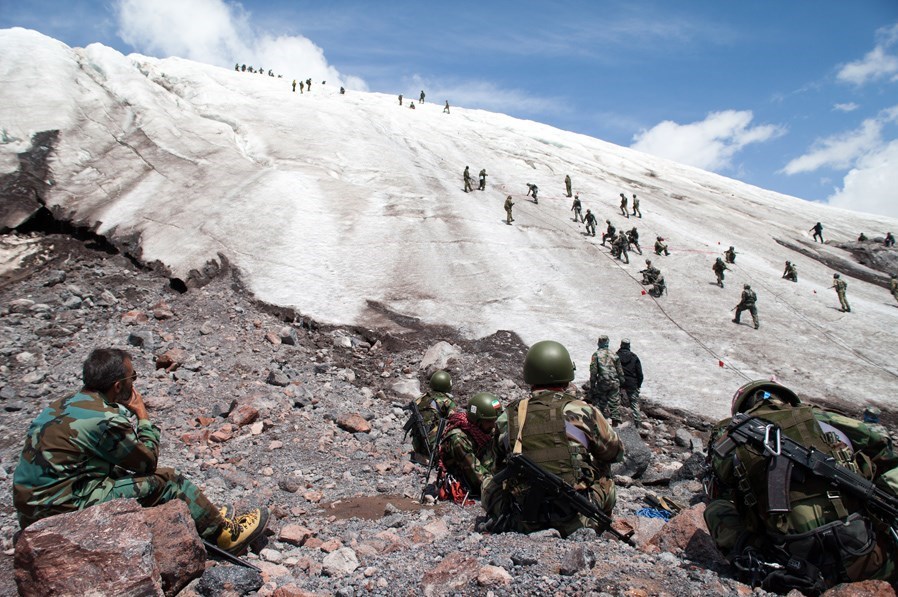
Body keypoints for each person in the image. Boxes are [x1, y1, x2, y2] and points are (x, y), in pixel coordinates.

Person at [12, 348, 268, 554]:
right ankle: (224, 535)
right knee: (168, 481)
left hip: (31, 511)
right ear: (117, 386)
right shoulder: (105, 419)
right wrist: (142, 415)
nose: (134, 383)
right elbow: (147, 463)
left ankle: (203, 513)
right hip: (65, 509)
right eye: (132, 378)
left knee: (120, 473)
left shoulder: (60, 404)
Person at [703, 380, 898, 593]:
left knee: (715, 509)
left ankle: (758, 567)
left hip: (794, 563)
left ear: (740, 408)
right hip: (864, 553)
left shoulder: (731, 433)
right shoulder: (816, 416)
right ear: (786, 398)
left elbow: (719, 488)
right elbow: (879, 442)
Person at [481, 341, 623, 536]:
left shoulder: (509, 415)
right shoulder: (583, 410)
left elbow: (495, 466)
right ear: (566, 375)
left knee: (489, 482)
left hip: (522, 519)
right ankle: (596, 529)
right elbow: (615, 453)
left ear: (530, 375)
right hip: (575, 517)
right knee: (605, 475)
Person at [438, 392, 502, 497]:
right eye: (489, 421)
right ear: (477, 421)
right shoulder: (458, 439)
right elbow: (476, 473)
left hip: (481, 471)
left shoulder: (482, 431)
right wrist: (498, 488)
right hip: (467, 479)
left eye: (494, 420)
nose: (493, 425)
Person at [406, 370, 457, 462]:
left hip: (418, 446)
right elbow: (455, 421)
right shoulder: (448, 402)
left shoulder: (420, 398)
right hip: (434, 448)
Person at [589, 335, 625, 425]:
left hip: (603, 382)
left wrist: (592, 385)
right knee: (614, 401)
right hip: (614, 381)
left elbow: (593, 371)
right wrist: (622, 381)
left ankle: (597, 421)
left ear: (599, 342)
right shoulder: (614, 354)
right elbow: (620, 370)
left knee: (601, 400)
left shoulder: (596, 354)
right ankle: (615, 421)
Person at [616, 339, 643, 424]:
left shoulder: (616, 356)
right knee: (634, 403)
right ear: (629, 346)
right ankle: (637, 422)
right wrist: (638, 385)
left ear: (621, 345)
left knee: (615, 401)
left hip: (619, 381)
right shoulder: (634, 357)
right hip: (632, 383)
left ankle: (616, 420)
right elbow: (640, 373)